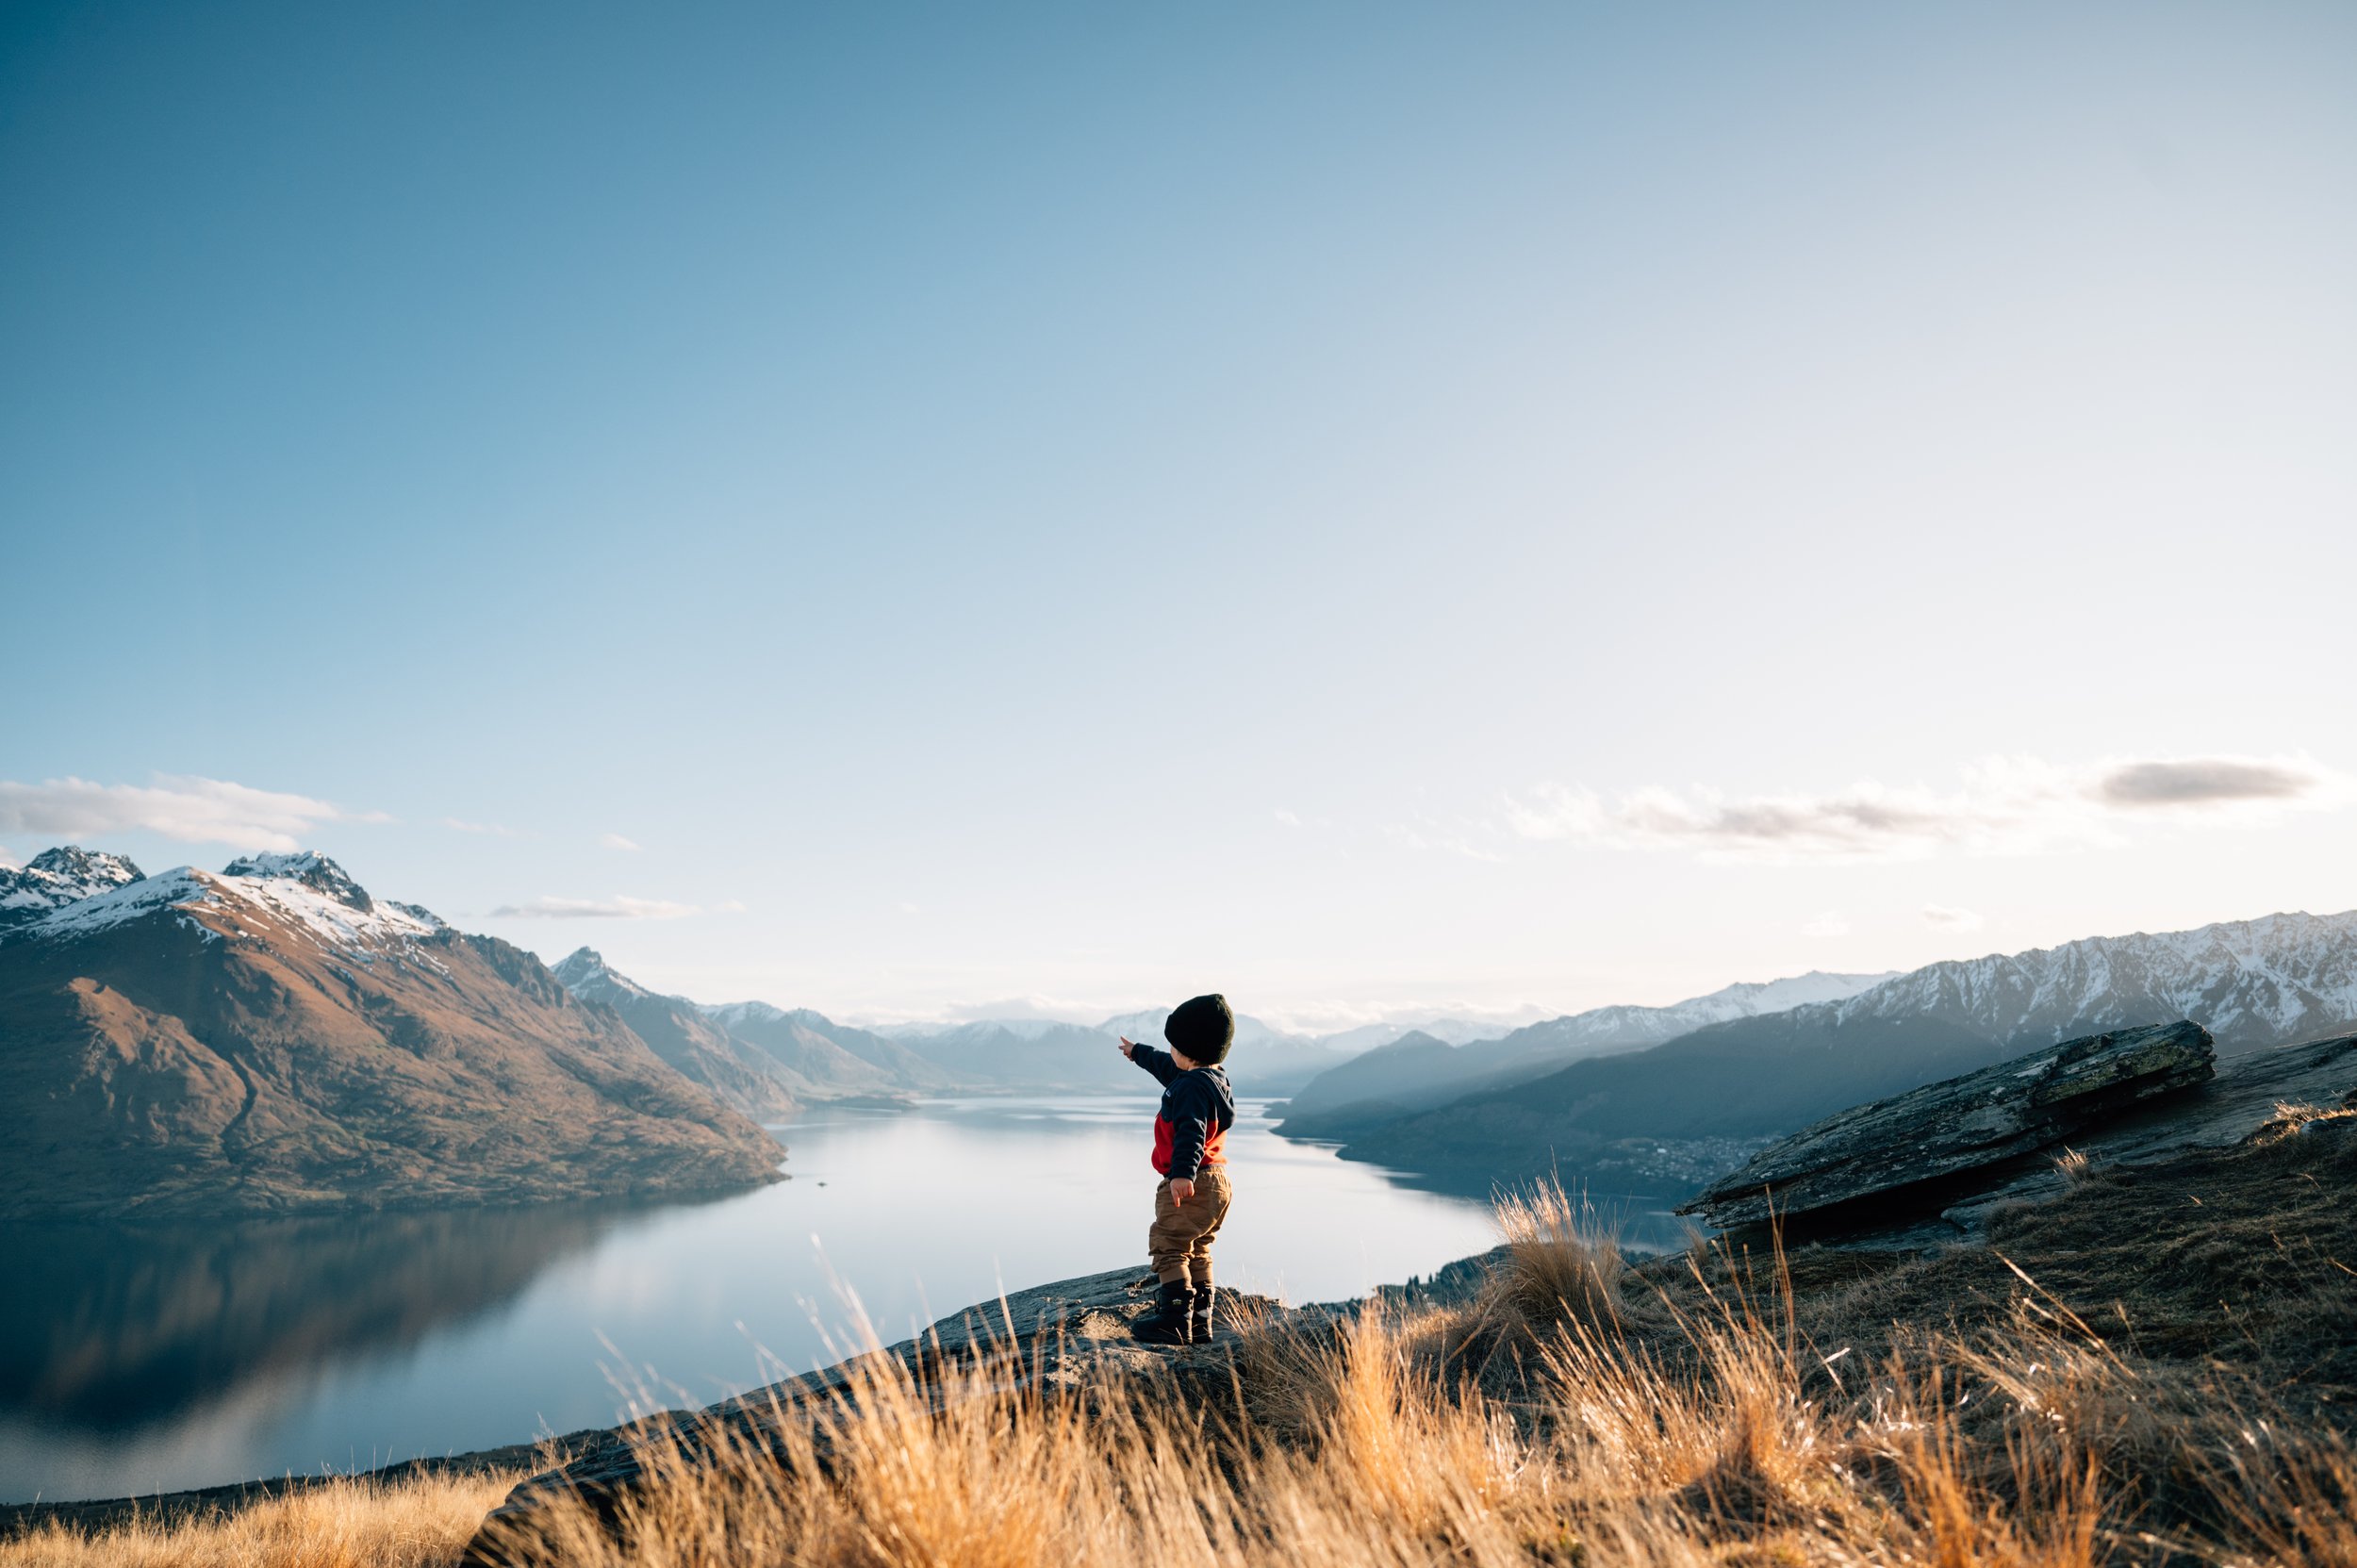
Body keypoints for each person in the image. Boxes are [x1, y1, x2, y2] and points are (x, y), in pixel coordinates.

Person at [1116, 993, 1237, 1345]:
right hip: (1217, 1182)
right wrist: (1139, 1053)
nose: (1170, 1053)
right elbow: (1169, 1068)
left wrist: (1182, 1173)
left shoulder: (1190, 1091)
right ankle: (1200, 1322)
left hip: (1193, 1178)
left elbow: (1191, 1130)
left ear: (1189, 1051)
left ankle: (1173, 1319)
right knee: (1197, 1248)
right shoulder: (1212, 1079)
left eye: (1174, 1047)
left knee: (1168, 1244)